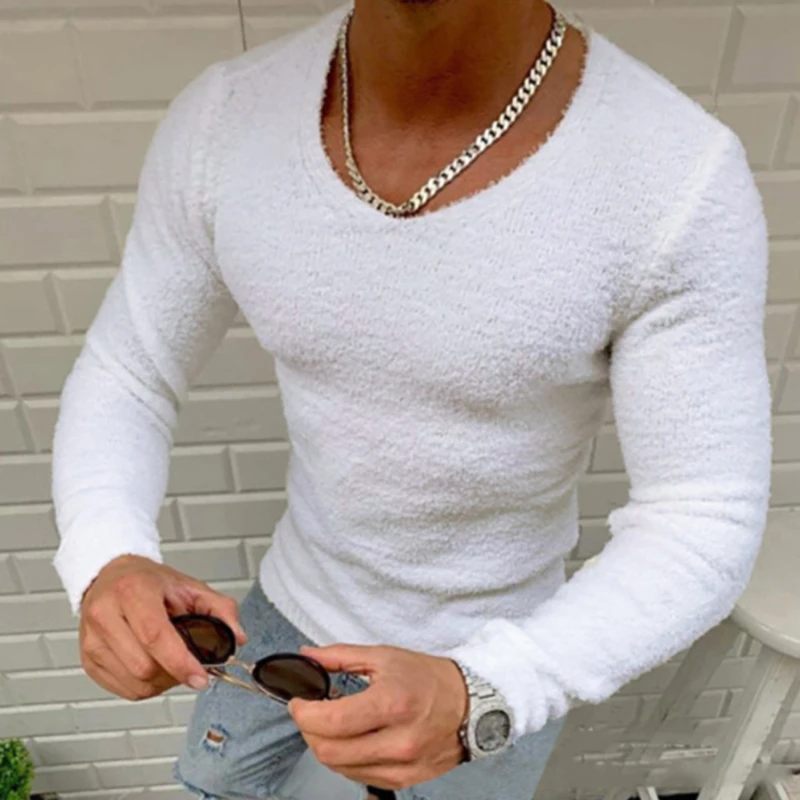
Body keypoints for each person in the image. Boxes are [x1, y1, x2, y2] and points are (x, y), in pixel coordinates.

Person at [51, 0, 773, 798]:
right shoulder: (224, 121)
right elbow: (128, 371)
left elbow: (701, 515)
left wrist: (492, 689)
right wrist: (107, 555)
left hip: (489, 650)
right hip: (282, 616)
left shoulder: (677, 176)